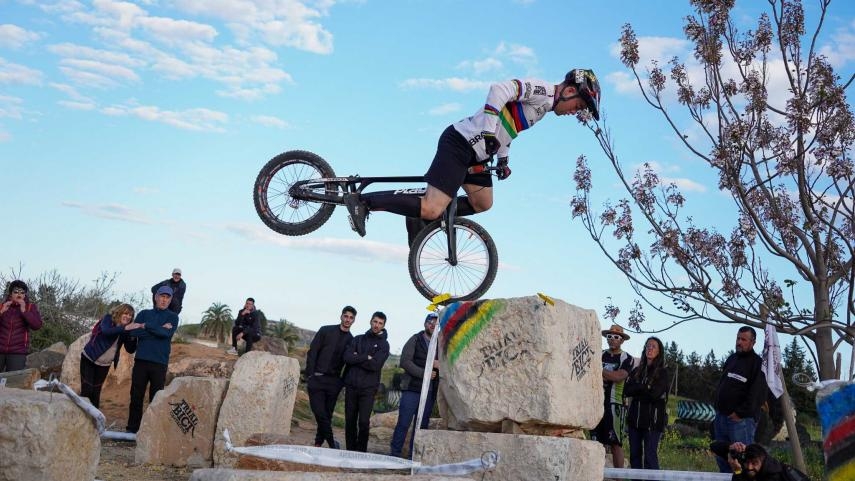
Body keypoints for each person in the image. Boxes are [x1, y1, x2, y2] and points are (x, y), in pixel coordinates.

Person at [342, 69, 602, 239]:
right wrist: (488, 131)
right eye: (577, 106)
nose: (574, 112)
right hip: (460, 143)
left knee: (483, 203)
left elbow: (507, 129)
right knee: (432, 208)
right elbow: (499, 90)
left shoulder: (543, 109)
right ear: (569, 91)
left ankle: (421, 214)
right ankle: (365, 202)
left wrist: (503, 159)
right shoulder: (543, 90)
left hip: (477, 156)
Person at [125, 285, 179, 433]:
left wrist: (145, 326)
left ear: (170, 300)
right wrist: (158, 329)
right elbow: (134, 333)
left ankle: (151, 432)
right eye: (162, 296)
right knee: (136, 396)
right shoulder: (144, 313)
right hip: (141, 360)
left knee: (156, 399)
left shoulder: (173, 317)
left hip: (159, 363)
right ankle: (132, 429)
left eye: (167, 297)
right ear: (156, 297)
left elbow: (166, 335)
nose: (164, 300)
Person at [713, 326, 766, 473]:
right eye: (738, 338)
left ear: (753, 342)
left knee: (743, 459)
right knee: (722, 457)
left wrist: (740, 413)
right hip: (721, 418)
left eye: (743, 339)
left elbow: (757, 395)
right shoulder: (732, 359)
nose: (739, 342)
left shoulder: (758, 364)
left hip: (740, 422)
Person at [389, 312, 440, 458]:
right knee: (403, 423)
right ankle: (395, 455)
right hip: (412, 389)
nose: (432, 325)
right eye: (430, 322)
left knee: (421, 427)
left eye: (436, 324)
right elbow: (405, 362)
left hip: (429, 392)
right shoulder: (416, 339)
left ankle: (414, 457)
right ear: (425, 323)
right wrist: (426, 371)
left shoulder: (440, 344)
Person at [305, 305, 356, 448]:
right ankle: (333, 443)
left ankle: (318, 443)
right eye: (346, 316)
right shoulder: (325, 330)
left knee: (327, 415)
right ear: (341, 316)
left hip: (334, 382)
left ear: (354, 321)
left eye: (351, 318)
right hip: (317, 378)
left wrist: (341, 382)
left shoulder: (352, 340)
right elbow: (313, 351)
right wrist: (310, 375)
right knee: (319, 412)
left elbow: (350, 364)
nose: (347, 320)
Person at [342, 311, 390, 452]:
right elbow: (347, 357)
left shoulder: (384, 345)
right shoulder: (358, 339)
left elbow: (375, 365)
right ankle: (350, 450)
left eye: (380, 323)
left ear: (383, 326)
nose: (377, 325)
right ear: (370, 321)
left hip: (368, 389)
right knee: (350, 420)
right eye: (375, 322)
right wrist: (366, 357)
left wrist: (358, 357)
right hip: (351, 385)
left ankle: (361, 451)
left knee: (363, 422)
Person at [80, 303, 141, 409]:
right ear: (120, 312)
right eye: (126, 313)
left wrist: (134, 335)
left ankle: (94, 423)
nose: (128, 317)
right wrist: (125, 329)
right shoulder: (108, 319)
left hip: (104, 365)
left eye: (130, 315)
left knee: (96, 393)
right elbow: (106, 331)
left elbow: (130, 349)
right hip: (89, 359)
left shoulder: (125, 330)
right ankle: (80, 418)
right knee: (87, 390)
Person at [624, 336, 669, 478]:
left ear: (659, 351)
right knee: (634, 458)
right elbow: (626, 390)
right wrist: (644, 387)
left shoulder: (663, 373)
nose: (649, 348)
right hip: (634, 422)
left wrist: (638, 388)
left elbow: (654, 395)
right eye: (648, 346)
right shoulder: (637, 370)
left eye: (653, 346)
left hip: (652, 423)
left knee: (649, 458)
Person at [591, 324, 634, 469]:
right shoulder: (600, 354)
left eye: (616, 337)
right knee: (596, 442)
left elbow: (618, 377)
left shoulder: (626, 358)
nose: (612, 339)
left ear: (622, 340)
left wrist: (598, 369)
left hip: (615, 405)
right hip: (596, 403)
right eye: (609, 336)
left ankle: (619, 478)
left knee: (615, 443)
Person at [0, 280, 43, 373]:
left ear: (25, 295)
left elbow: (37, 325)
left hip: (18, 352)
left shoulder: (30, 307)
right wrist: (2, 311)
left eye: (22, 292)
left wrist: (24, 311)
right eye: (16, 292)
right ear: (10, 294)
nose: (19, 294)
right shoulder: (2, 306)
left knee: (12, 381)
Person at [709, 442, 811, 480]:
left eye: (754, 463)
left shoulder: (773, 475)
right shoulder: (745, 461)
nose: (749, 467)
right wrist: (730, 446)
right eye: (747, 462)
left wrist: (738, 472)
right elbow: (713, 446)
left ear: (763, 461)